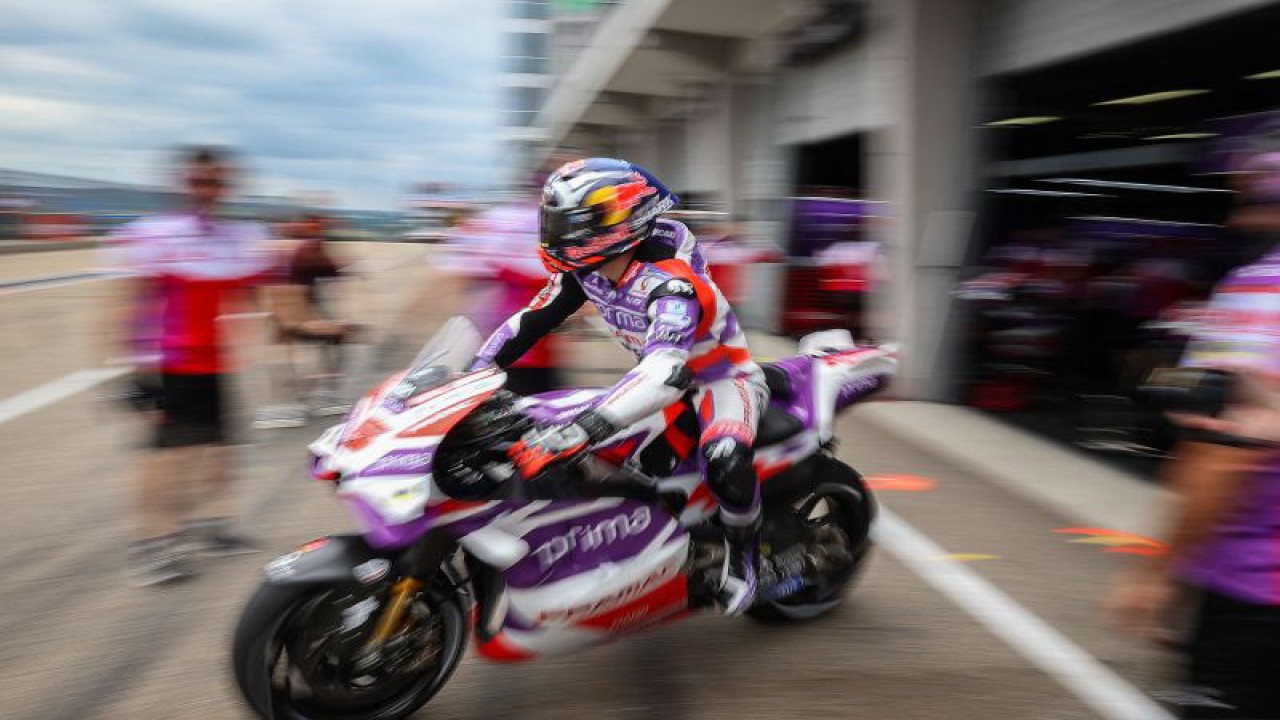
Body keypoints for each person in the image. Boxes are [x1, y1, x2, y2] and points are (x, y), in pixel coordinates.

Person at [468, 158, 768, 615]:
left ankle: (746, 557)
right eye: (554, 220)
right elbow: (527, 323)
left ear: (619, 222)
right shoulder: (587, 270)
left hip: (720, 381)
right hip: (655, 380)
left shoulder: (672, 284)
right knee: (604, 462)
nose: (558, 233)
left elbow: (666, 371)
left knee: (724, 460)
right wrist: (473, 374)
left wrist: (582, 428)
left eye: (571, 223)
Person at [1106, 151, 1280, 718]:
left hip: (1255, 594)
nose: (1239, 221)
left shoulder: (1260, 291)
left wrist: (1158, 573)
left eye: (1255, 203)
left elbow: (1220, 453)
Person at [109, 146, 282, 585]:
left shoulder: (235, 238)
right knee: (169, 459)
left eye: (217, 182)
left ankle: (211, 526)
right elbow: (128, 303)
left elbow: (256, 293)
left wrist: (269, 338)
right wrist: (133, 371)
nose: (208, 190)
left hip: (216, 365)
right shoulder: (157, 235)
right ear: (183, 184)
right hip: (172, 365)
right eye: (200, 181)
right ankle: (151, 543)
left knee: (221, 453)